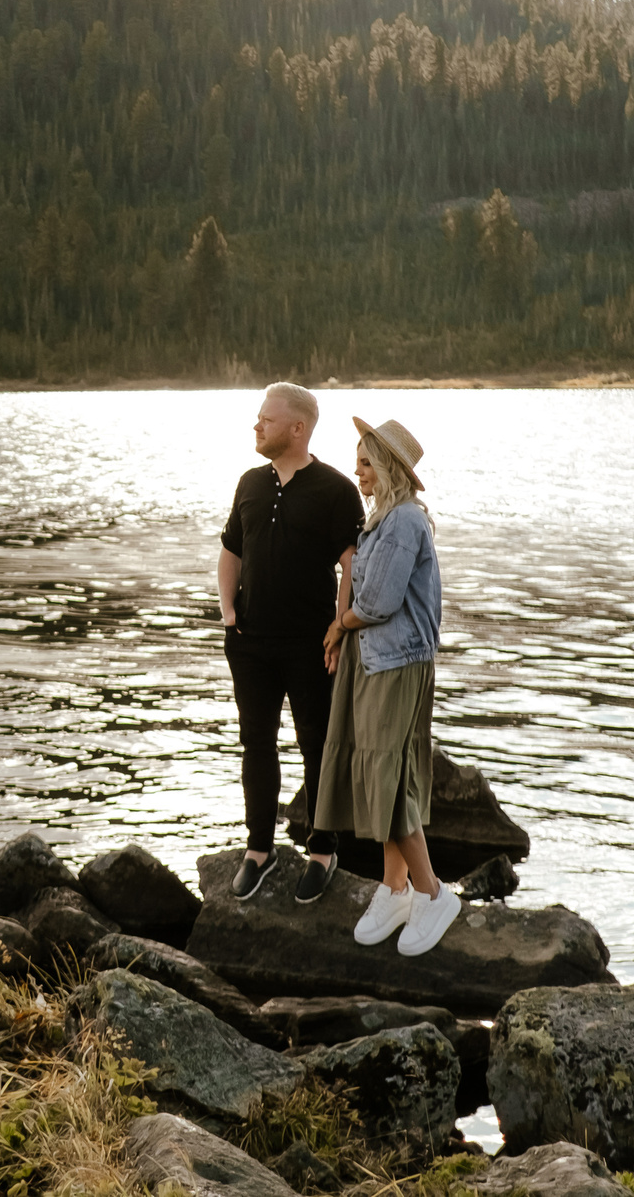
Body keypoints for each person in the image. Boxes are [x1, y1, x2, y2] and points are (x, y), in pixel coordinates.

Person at [316, 415, 458, 957]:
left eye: (367, 463)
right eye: (357, 462)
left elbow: (376, 603)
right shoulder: (383, 520)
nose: (358, 473)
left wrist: (337, 625)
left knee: (386, 777)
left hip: (395, 663)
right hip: (377, 660)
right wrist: (343, 629)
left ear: (391, 467)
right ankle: (394, 888)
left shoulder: (402, 522)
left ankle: (432, 893)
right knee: (383, 772)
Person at [218, 382, 363, 904]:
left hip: (310, 645)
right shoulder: (249, 484)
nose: (256, 426)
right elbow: (232, 549)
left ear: (297, 428)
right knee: (256, 743)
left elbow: (351, 561)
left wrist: (340, 625)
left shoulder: (335, 488)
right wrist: (227, 609)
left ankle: (323, 850)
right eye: (258, 419)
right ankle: (259, 849)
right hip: (250, 643)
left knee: (317, 744)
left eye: (266, 419)